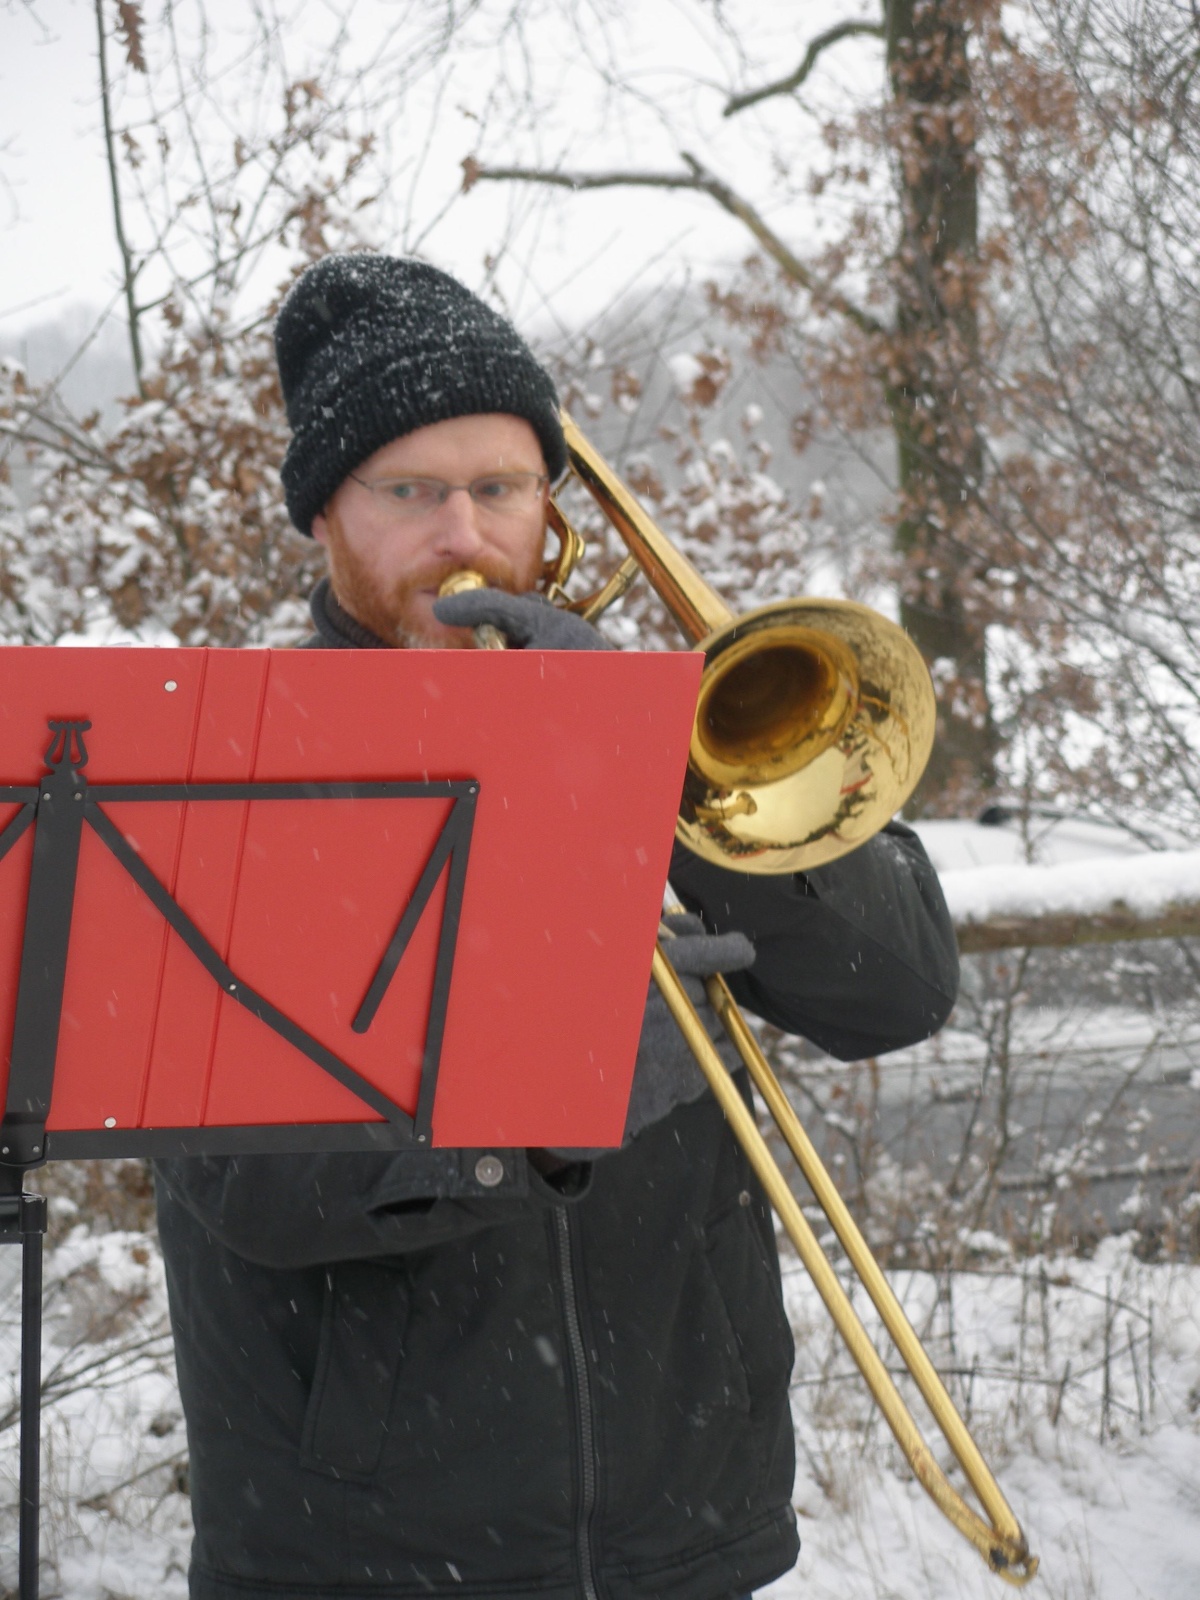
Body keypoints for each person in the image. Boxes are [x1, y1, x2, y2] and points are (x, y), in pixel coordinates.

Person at [154, 253, 960, 1600]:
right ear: (321, 519)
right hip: (360, 1557)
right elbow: (253, 1187)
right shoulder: (225, 770)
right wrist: (532, 1112)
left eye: (501, 488)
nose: (463, 533)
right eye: (410, 492)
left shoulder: (645, 729)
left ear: (550, 510)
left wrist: (664, 774)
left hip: (683, 1533)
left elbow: (895, 992)